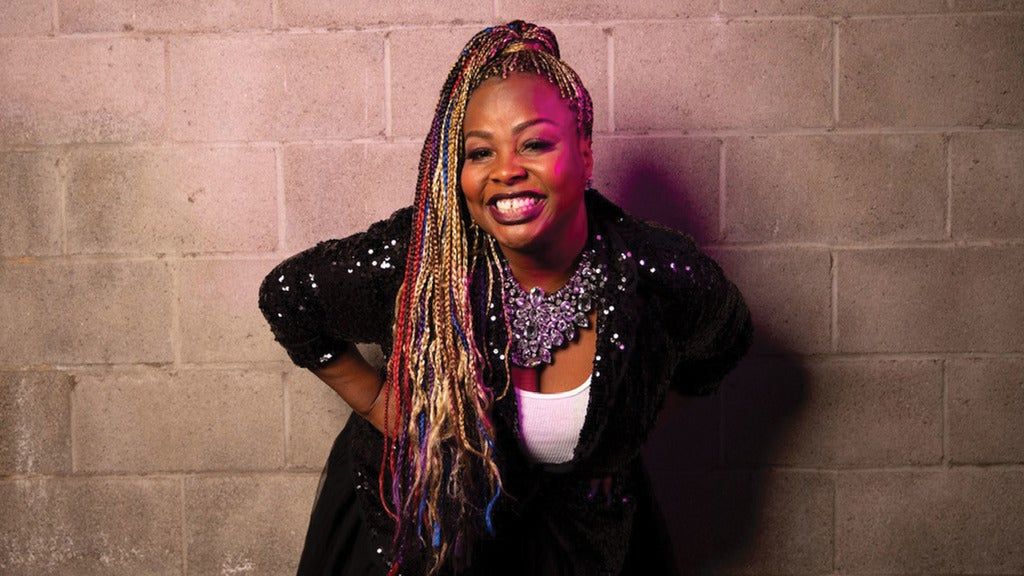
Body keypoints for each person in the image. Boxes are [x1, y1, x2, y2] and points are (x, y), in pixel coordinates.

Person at [258, 20, 753, 576]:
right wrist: (382, 409)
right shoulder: (427, 256)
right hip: (422, 538)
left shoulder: (653, 271)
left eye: (534, 144)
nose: (506, 171)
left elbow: (726, 341)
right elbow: (289, 296)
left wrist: (625, 428)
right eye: (480, 152)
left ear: (585, 155)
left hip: (580, 544)